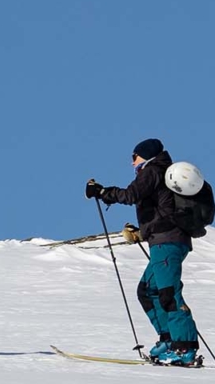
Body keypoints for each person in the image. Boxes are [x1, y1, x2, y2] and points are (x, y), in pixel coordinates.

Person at [87, 139, 203, 366]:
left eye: (134, 157)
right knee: (147, 290)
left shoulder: (152, 170)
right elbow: (163, 211)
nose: (132, 163)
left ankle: (184, 349)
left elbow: (131, 195)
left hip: (166, 243)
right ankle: (169, 340)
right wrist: (142, 233)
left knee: (169, 293)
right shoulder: (160, 172)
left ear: (146, 156)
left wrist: (102, 192)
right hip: (165, 240)